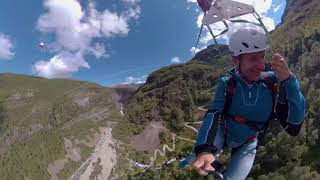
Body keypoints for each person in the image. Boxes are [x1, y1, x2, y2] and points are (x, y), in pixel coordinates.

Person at [191, 28, 305, 180]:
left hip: (248, 142)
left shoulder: (272, 82)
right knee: (202, 159)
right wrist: (204, 150)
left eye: (262, 57)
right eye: (252, 59)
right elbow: (214, 113)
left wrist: (289, 80)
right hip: (223, 131)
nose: (261, 66)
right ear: (236, 61)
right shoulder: (227, 83)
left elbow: (294, 126)